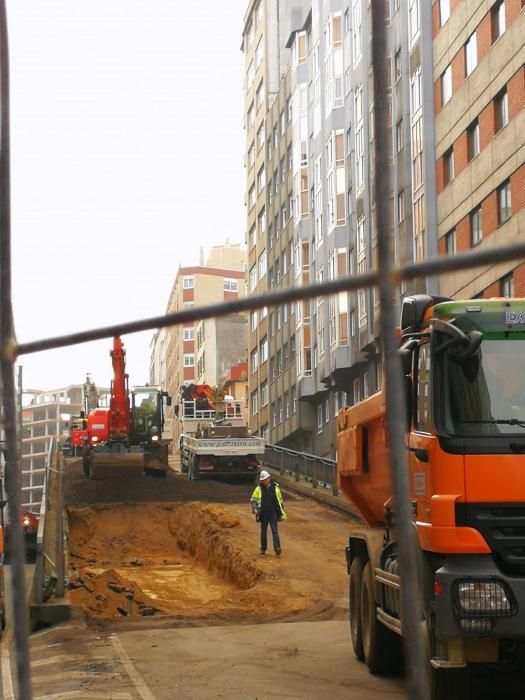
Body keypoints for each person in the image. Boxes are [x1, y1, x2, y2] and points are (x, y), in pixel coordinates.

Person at [250, 470, 287, 557]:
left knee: (274, 530)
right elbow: (253, 500)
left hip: (273, 512)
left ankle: (277, 548)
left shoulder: (276, 489)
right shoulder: (258, 489)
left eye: (265, 479)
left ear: (269, 478)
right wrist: (255, 508)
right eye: (263, 480)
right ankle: (263, 549)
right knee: (263, 531)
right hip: (263, 513)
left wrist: (280, 511)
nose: (264, 481)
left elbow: (280, 500)